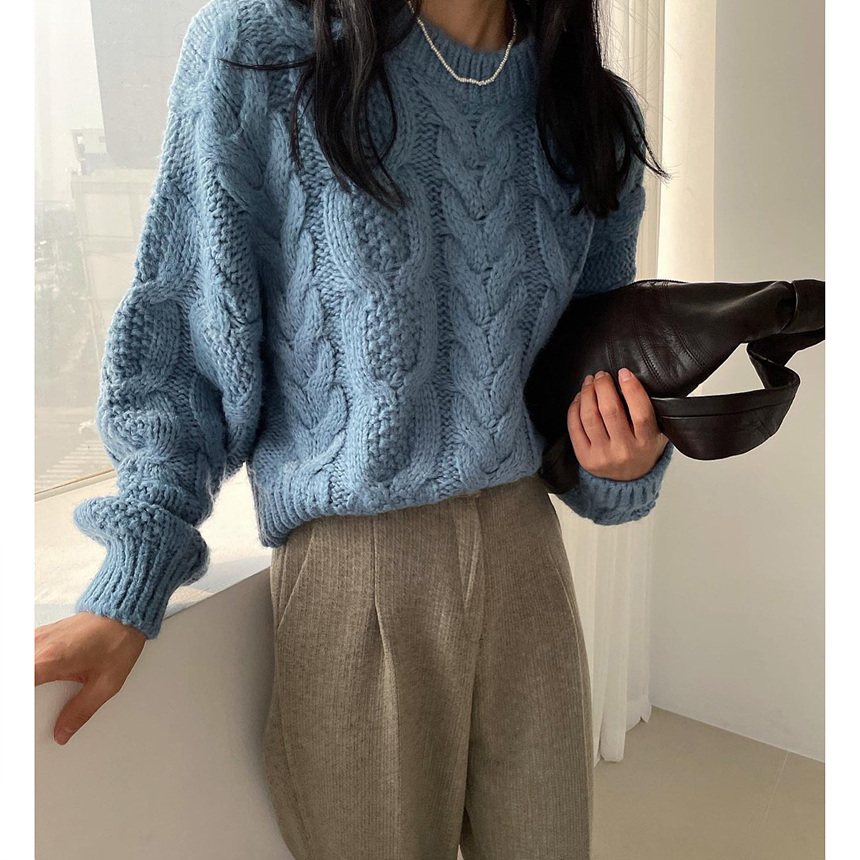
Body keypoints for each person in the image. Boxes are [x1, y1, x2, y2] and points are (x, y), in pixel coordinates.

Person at [34, 0, 674, 856]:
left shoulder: (589, 108)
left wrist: (618, 461)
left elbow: (586, 363)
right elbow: (184, 343)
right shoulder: (264, 52)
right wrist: (135, 574)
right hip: (356, 579)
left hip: (529, 564)